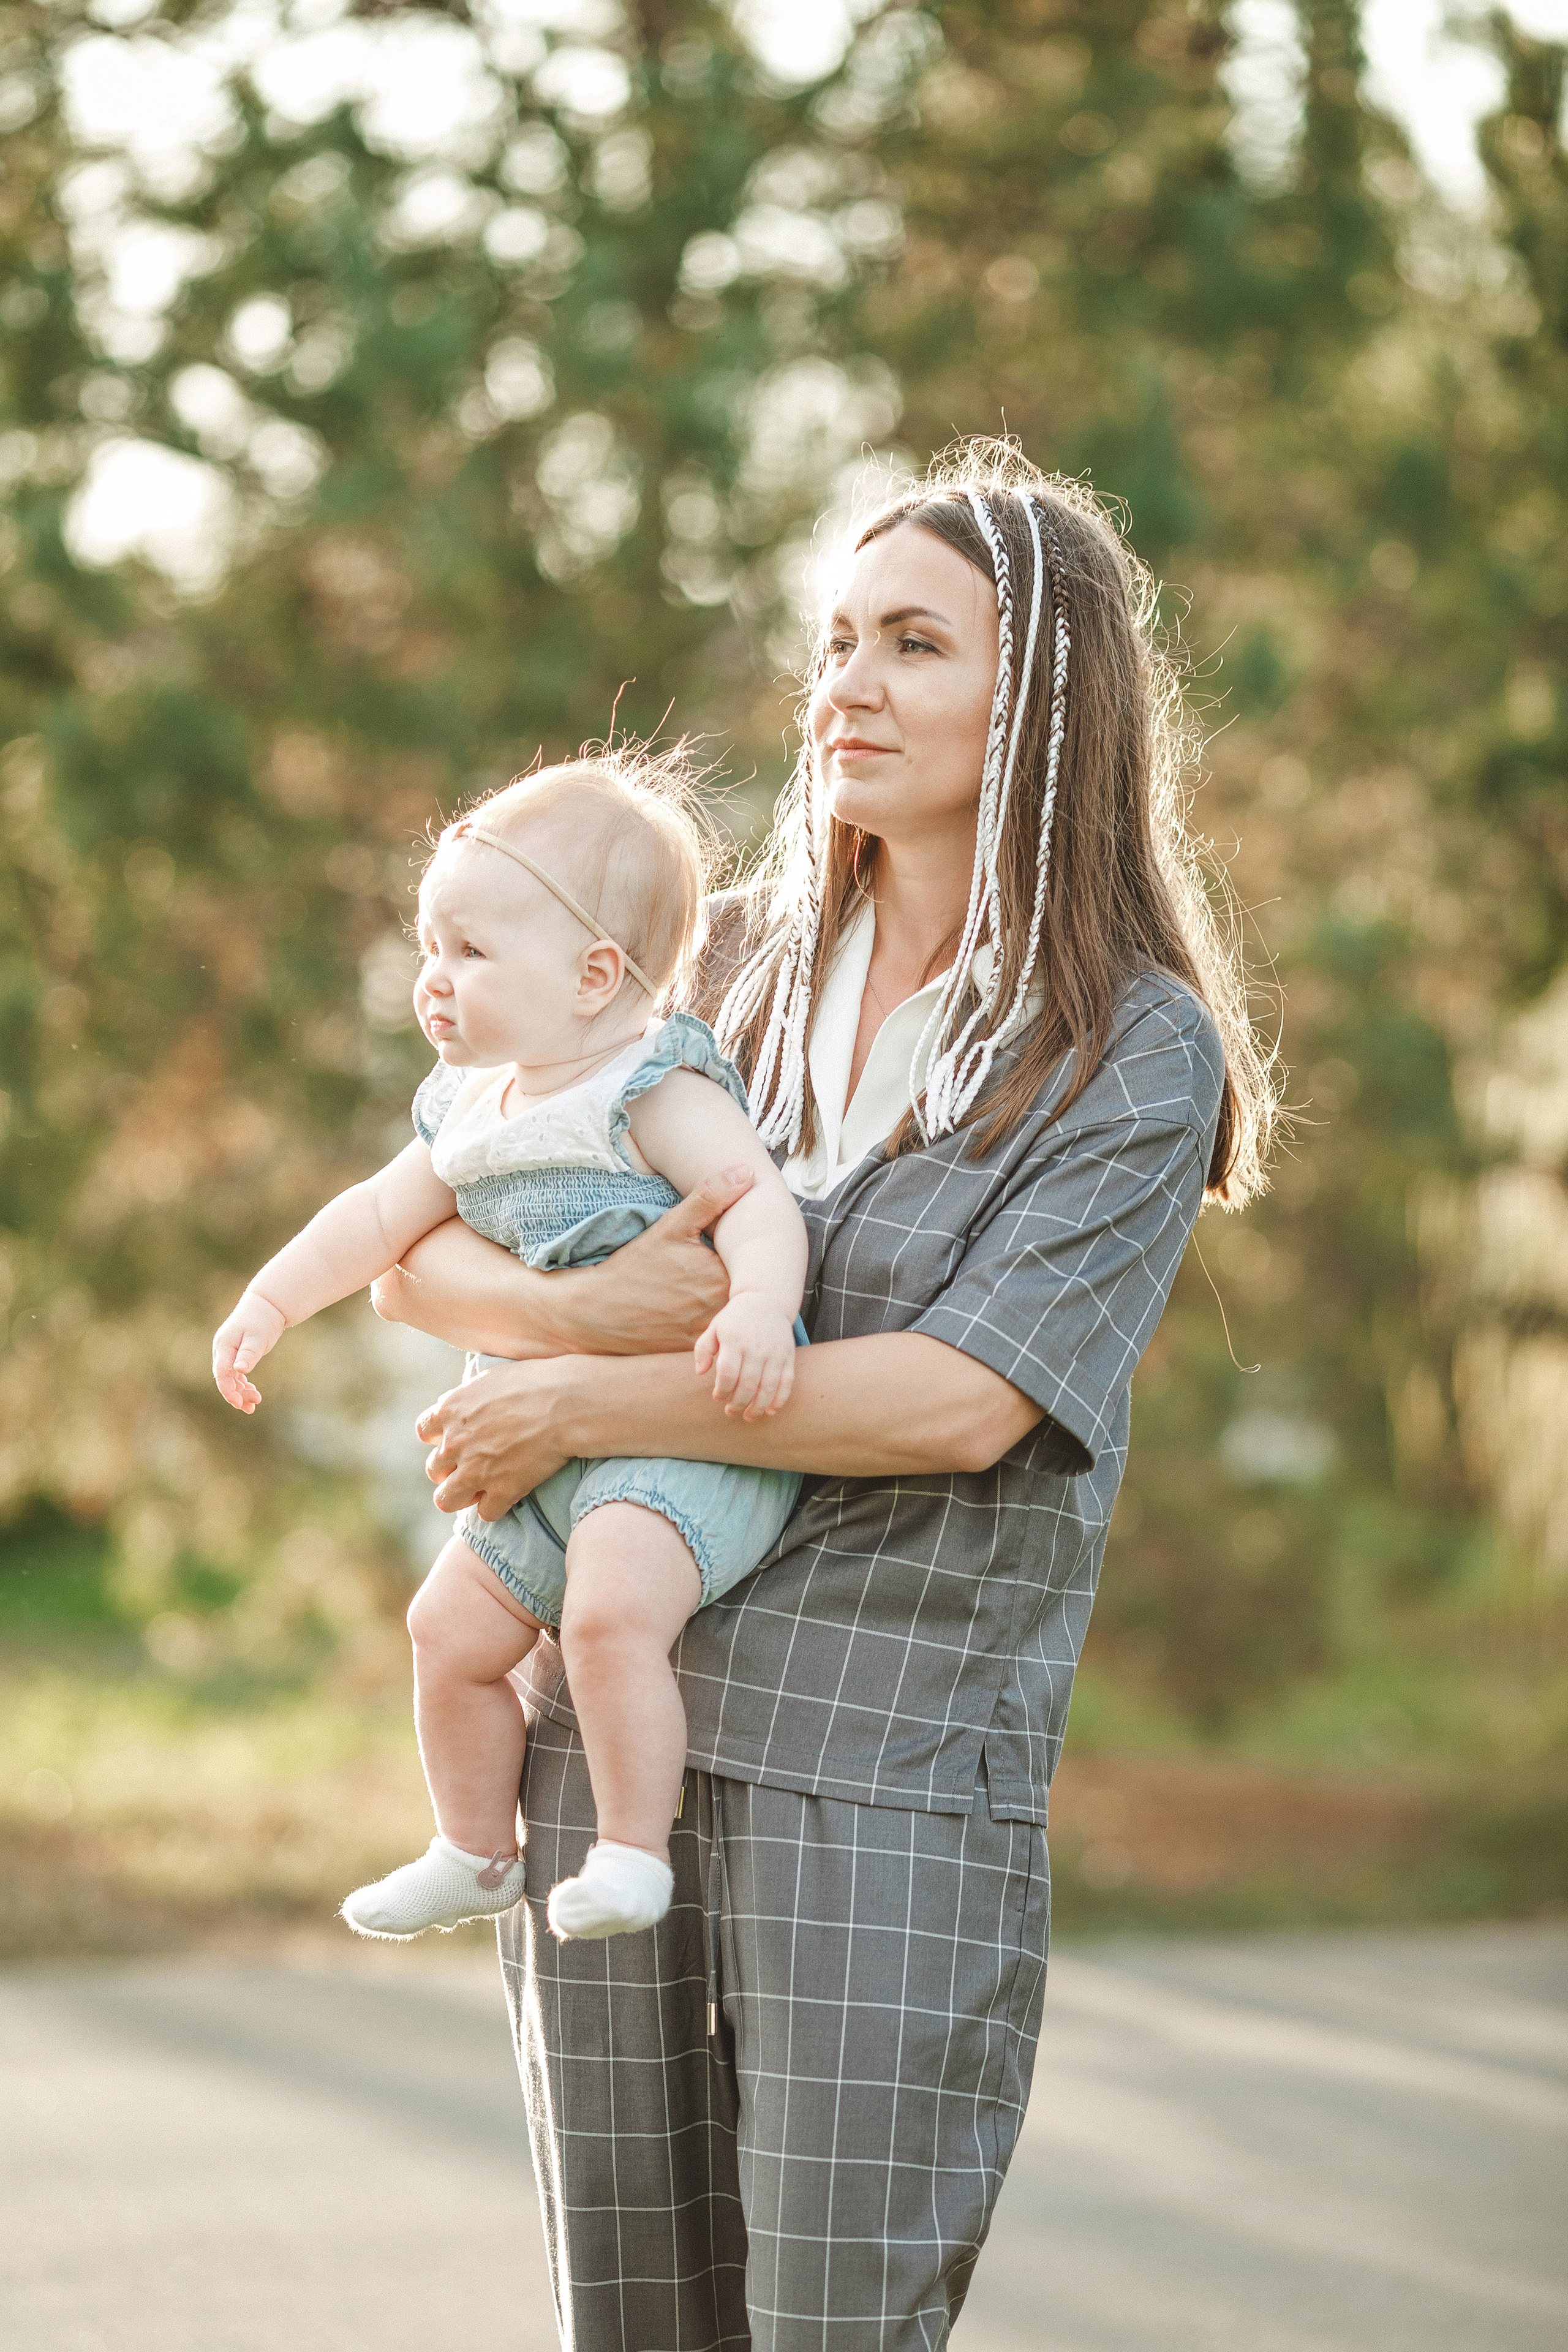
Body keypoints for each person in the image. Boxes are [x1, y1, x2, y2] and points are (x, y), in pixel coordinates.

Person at [374, 440, 1276, 2350]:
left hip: (889, 1783)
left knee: (836, 2331)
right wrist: (580, 1314)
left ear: (1043, 698)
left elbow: (960, 1403)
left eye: (915, 644)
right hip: (599, 1762)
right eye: (836, 640)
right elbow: (423, 1238)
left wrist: (584, 1401)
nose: (846, 685)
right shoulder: (729, 978)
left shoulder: (1130, 1050)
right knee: (631, 2321)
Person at [211, 755, 809, 1943]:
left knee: (605, 1618)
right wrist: (269, 1304)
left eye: (470, 955)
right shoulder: (470, 1106)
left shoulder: (650, 1087)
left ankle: (635, 1854)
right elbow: (372, 1228)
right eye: (429, 948)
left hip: (678, 1438)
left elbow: (758, 1207)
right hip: (540, 1450)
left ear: (595, 976)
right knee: (447, 1633)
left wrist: (752, 1309)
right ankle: (477, 1850)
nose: (433, 982)